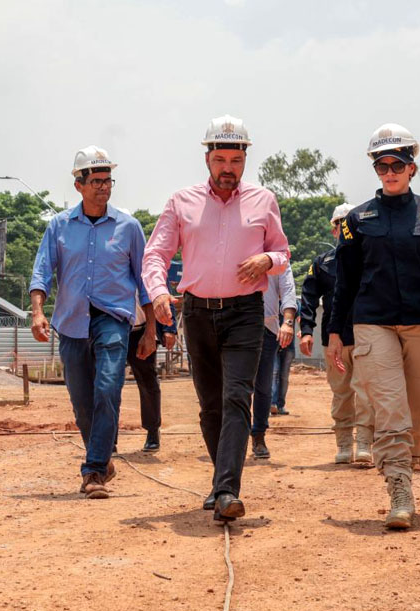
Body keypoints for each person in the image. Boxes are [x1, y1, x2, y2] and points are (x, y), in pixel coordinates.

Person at [142, 115, 290, 523]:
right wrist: (157, 293)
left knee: (236, 397)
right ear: (207, 158)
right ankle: (221, 479)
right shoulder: (181, 202)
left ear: (245, 160)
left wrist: (267, 260)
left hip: (245, 313)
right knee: (210, 406)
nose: (228, 168)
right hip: (198, 313)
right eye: (221, 159)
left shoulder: (264, 201)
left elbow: (283, 253)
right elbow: (155, 254)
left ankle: (226, 490)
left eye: (236, 160)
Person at [327, 123, 420, 529]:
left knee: (415, 413)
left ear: (412, 167)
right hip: (373, 325)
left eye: (397, 164)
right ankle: (400, 491)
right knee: (390, 410)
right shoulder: (357, 219)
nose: (389, 172)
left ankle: (417, 445)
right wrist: (336, 333)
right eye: (382, 165)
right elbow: (343, 282)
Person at [30, 146, 153, 499]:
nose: (103, 187)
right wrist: (38, 312)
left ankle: (95, 470)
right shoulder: (59, 226)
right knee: (82, 402)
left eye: (107, 180)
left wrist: (151, 331)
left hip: (113, 320)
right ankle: (100, 456)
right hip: (71, 322)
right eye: (96, 181)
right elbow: (41, 271)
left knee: (108, 388)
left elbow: (144, 281)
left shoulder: (129, 228)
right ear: (79, 185)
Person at [299, 203, 375, 466]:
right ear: (332, 230)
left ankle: (364, 443)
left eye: (348, 223)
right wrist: (306, 330)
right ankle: (344, 444)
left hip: (368, 336)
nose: (343, 229)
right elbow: (308, 298)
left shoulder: (372, 258)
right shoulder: (322, 264)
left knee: (367, 393)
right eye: (338, 224)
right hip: (335, 340)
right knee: (342, 393)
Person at [251, 267, 296, 459]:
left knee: (263, 386)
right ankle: (235, 434)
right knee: (236, 386)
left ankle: (259, 435)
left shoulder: (278, 260)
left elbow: (288, 290)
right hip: (234, 328)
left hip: (267, 329)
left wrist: (288, 322)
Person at [126, 299, 176, 452]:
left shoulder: (148, 273)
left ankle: (153, 430)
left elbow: (163, 294)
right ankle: (110, 438)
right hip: (112, 326)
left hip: (143, 329)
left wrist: (170, 327)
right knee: (109, 382)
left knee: (147, 381)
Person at [270, 303, 297, 416]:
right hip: (272, 344)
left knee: (284, 376)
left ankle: (280, 405)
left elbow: (300, 318)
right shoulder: (271, 301)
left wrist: (303, 331)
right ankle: (272, 404)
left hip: (288, 345)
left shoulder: (294, 305)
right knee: (274, 373)